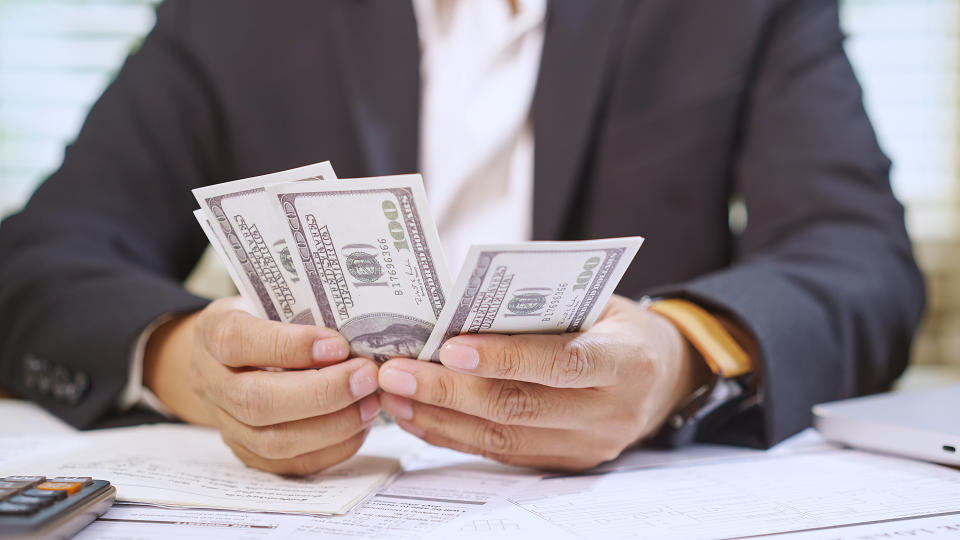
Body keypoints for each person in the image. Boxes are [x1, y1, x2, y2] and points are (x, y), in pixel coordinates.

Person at [0, 0, 925, 475]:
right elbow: (36, 258)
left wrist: (684, 353)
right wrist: (183, 365)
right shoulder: (240, 13)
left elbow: (859, 257)